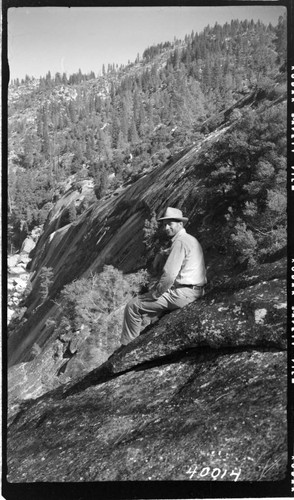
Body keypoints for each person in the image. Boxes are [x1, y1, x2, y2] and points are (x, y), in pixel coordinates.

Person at [116, 207, 207, 353]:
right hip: (196, 291)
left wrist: (155, 294)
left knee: (133, 306)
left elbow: (169, 275)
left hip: (182, 295)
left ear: (180, 224)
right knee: (154, 316)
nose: (166, 227)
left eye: (170, 223)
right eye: (165, 224)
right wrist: (161, 253)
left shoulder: (180, 243)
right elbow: (176, 254)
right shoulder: (189, 239)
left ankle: (127, 349)